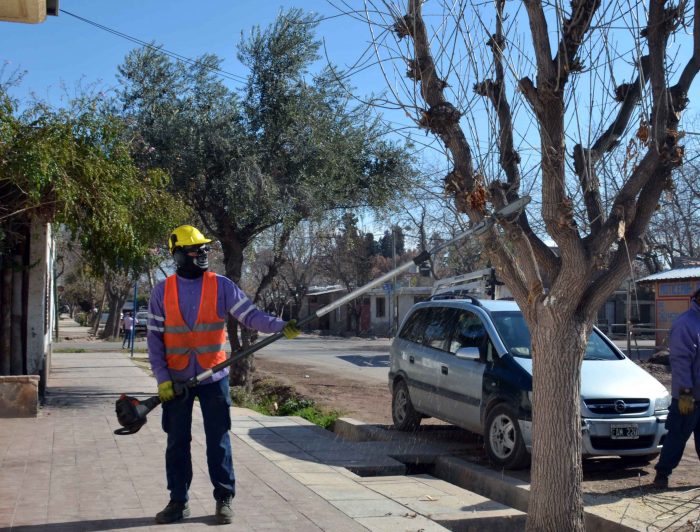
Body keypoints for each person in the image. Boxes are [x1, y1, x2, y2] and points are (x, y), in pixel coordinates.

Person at [147, 225, 301, 525]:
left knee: (218, 440)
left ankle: (224, 499)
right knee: (177, 442)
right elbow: (154, 339)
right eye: (194, 250)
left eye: (204, 249)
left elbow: (252, 316)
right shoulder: (161, 291)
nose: (201, 254)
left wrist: (282, 326)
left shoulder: (221, 286)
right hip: (177, 381)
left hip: (213, 378)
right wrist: (162, 378)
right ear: (177, 256)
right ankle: (178, 501)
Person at [652, 287, 700, 489]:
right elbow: (681, 364)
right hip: (688, 396)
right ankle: (662, 474)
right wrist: (686, 397)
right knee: (678, 435)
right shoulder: (685, 324)